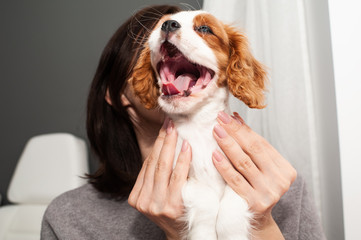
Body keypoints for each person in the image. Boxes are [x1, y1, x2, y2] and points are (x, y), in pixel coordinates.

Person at [41, 5, 326, 240]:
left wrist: (262, 226)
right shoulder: (69, 217)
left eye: (203, 29)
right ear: (117, 95)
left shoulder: (279, 188)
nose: (173, 30)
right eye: (157, 34)